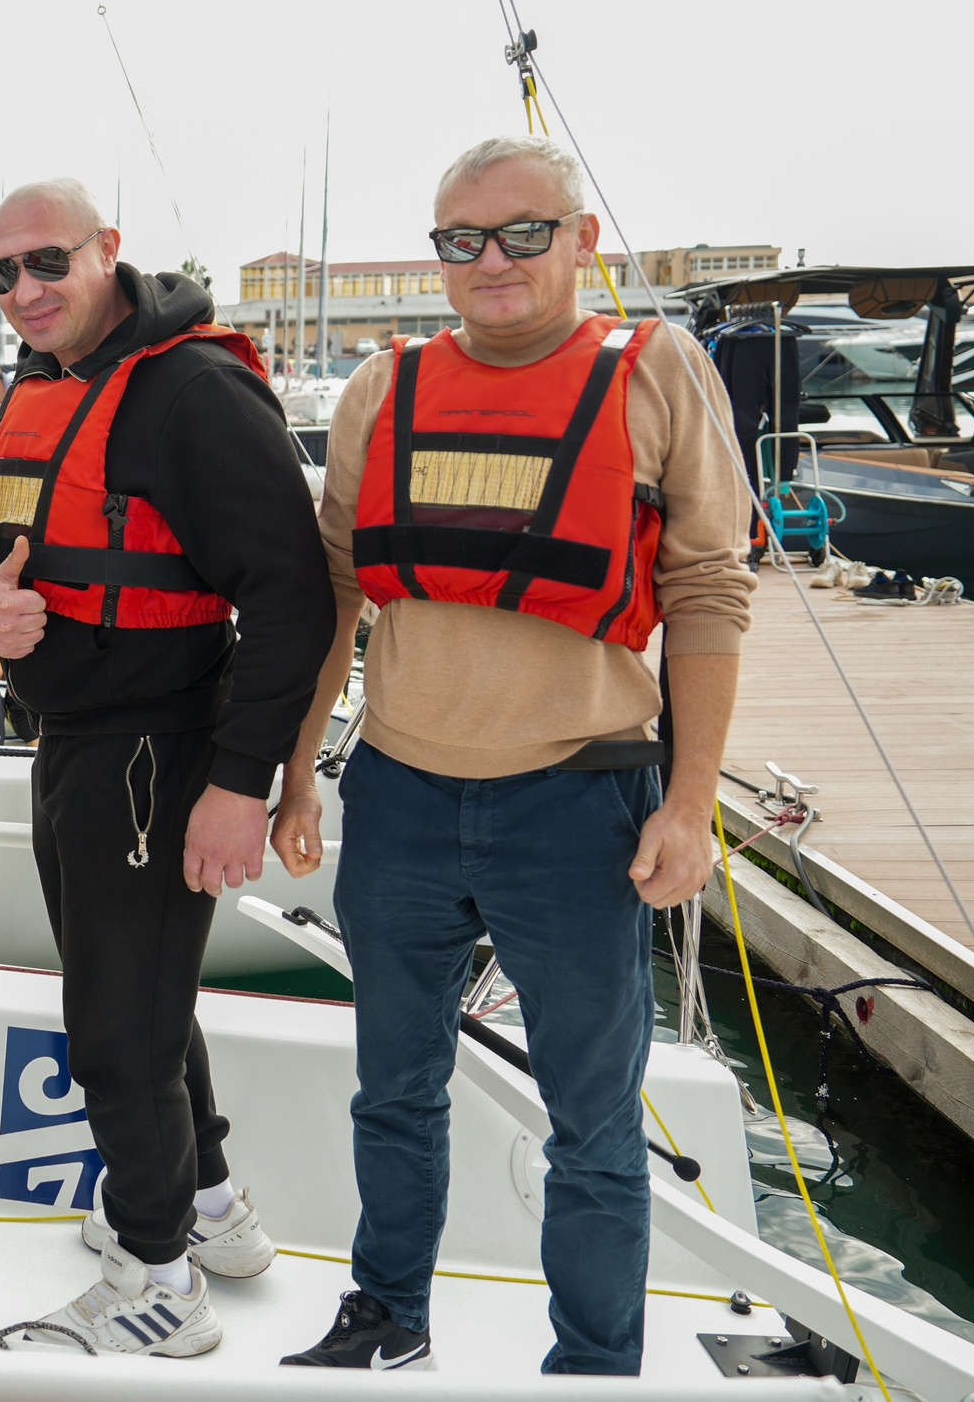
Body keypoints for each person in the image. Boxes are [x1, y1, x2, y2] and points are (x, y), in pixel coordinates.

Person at [274, 136, 750, 1375]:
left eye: (522, 233)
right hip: (400, 794)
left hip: (580, 800)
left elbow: (708, 591)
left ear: (580, 239)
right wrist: (292, 775)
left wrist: (688, 807)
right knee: (392, 1088)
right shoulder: (382, 388)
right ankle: (386, 1316)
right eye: (462, 240)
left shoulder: (661, 373)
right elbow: (330, 594)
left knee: (592, 1123)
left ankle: (592, 1363)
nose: (491, 261)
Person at [0, 178, 334, 1358]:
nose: (24, 291)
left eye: (46, 263)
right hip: (72, 736)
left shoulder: (193, 392)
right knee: (141, 995)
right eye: (1, 274)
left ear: (109, 251)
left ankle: (157, 1282)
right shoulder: (45, 380)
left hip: (157, 752)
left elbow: (294, 601)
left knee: (114, 1021)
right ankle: (207, 1209)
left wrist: (238, 784)